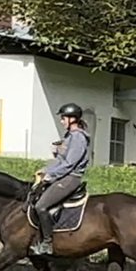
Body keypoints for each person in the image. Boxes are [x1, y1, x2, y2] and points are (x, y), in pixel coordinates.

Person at [30, 103, 90, 256]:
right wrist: (44, 170)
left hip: (71, 178)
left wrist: (51, 176)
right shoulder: (69, 137)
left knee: (41, 206)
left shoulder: (78, 138)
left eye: (63, 118)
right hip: (64, 175)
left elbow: (70, 164)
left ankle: (47, 243)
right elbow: (61, 161)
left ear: (72, 119)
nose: (62, 121)